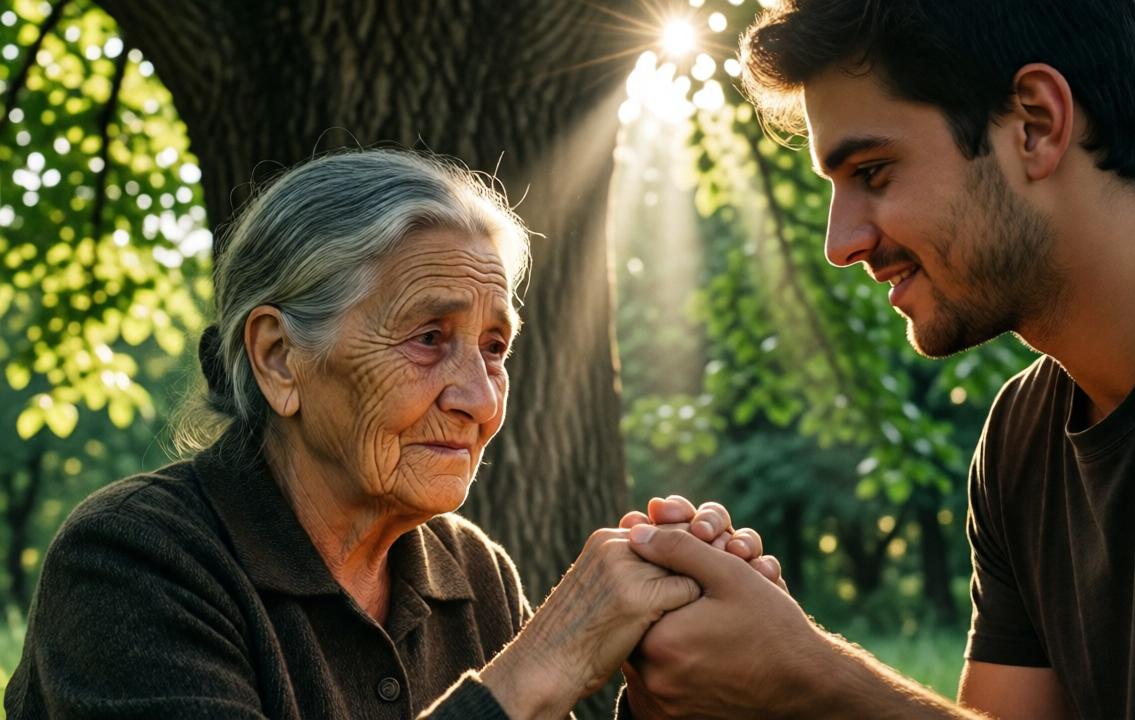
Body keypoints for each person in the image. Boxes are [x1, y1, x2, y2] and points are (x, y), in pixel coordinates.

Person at [619, 1, 1135, 718]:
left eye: (873, 171)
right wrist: (753, 673)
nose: (840, 244)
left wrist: (809, 677)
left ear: (1036, 124)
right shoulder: (1020, 440)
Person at [2, 150, 773, 719]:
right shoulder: (133, 562)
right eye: (429, 337)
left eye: (495, 347)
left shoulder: (470, 570)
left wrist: (672, 693)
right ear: (279, 358)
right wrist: (544, 663)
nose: (477, 398)